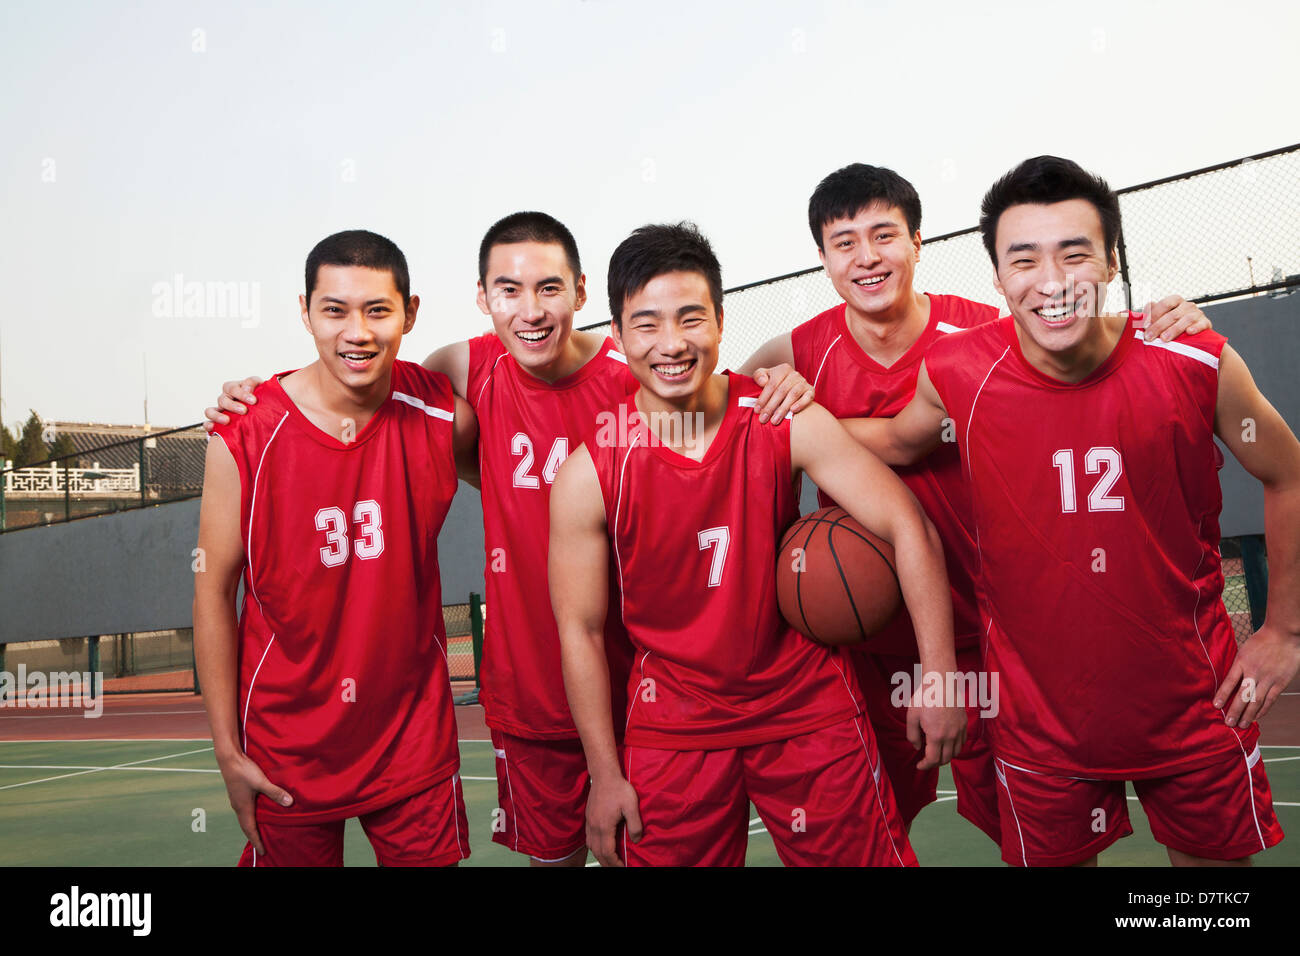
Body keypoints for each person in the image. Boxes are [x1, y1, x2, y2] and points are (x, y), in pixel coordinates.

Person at [204, 213, 811, 866]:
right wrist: (255, 396)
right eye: (509, 291)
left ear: (580, 292)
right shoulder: (455, 378)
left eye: (549, 289)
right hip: (526, 700)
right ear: (482, 297)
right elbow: (366, 388)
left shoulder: (632, 376)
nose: (531, 310)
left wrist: (780, 382)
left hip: (647, 694)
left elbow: (724, 409)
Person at [739, 163, 1212, 843]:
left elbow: (1081, 340)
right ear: (822, 258)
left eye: (884, 235)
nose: (866, 257)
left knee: (1029, 838)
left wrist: (1174, 318)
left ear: (918, 243)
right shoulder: (794, 354)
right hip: (865, 638)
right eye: (844, 243)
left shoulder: (984, 335)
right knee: (862, 833)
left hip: (995, 638)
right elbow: (728, 436)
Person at [847, 155, 1299, 866]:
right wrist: (780, 411)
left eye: (1074, 253)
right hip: (1039, 722)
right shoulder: (959, 372)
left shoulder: (1192, 360)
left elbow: (1290, 474)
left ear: (1113, 262)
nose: (1051, 282)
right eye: (1023, 259)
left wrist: (1285, 630)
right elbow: (895, 441)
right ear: (997, 279)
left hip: (1194, 704)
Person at [549, 221, 965, 867]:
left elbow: (906, 524)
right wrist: (604, 774)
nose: (672, 343)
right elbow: (578, 629)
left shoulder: (781, 416)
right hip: (675, 720)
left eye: (691, 319)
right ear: (619, 335)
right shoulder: (589, 472)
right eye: (648, 324)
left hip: (804, 701)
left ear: (719, 321)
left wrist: (938, 675)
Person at [194, 230, 479, 866]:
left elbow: (530, 490)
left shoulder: (442, 417)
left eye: (378, 310)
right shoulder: (244, 433)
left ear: (410, 314)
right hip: (287, 743)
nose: (358, 331)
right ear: (305, 311)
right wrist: (226, 750)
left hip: (411, 737)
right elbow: (213, 592)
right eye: (335, 310)